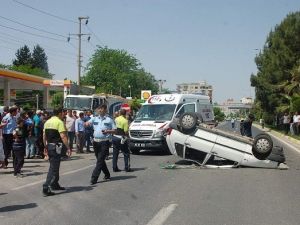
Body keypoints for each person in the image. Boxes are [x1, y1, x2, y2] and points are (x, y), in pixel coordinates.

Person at [42, 108, 72, 197]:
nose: (64, 115)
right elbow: (63, 136)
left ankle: (55, 184)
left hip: (50, 145)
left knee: (55, 165)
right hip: (56, 146)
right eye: (63, 113)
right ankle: (46, 186)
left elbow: (44, 136)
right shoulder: (59, 122)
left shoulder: (47, 122)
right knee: (53, 167)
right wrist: (68, 147)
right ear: (59, 113)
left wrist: (45, 147)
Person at [85, 104, 116, 185]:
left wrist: (107, 131)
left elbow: (115, 130)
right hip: (95, 142)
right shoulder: (94, 118)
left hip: (105, 142)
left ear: (105, 110)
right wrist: (86, 124)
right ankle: (107, 174)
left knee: (99, 161)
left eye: (102, 109)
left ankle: (94, 178)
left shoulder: (109, 120)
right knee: (100, 160)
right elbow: (87, 123)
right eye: (99, 109)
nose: (100, 110)